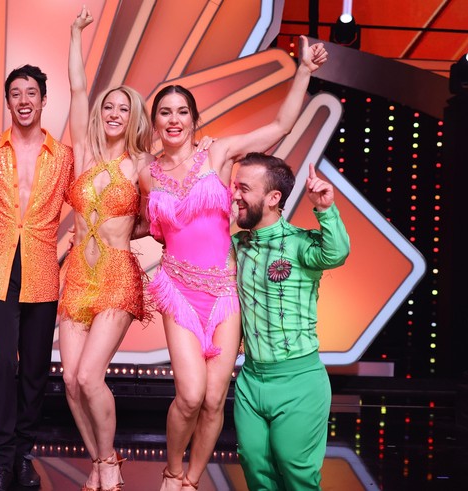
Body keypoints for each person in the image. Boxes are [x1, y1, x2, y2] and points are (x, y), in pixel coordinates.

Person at [138, 36, 328, 490]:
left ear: (194, 119)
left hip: (224, 291)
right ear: (155, 121)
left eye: (182, 111)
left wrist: (304, 69)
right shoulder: (145, 171)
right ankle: (171, 472)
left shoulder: (217, 153)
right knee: (189, 394)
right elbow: (141, 225)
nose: (174, 119)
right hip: (178, 290)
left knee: (215, 398)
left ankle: (192, 480)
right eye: (165, 112)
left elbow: (280, 125)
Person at [59, 7, 152, 491]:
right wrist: (75, 34)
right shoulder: (84, 152)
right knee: (71, 380)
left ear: (134, 117)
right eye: (109, 107)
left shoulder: (141, 165)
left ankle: (110, 462)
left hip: (116, 273)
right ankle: (98, 460)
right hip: (76, 273)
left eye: (124, 109)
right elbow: (77, 88)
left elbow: (162, 214)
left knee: (92, 376)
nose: (115, 114)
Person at [0, 63, 74, 490]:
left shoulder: (63, 155)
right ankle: (2, 457)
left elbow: (86, 203)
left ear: (44, 99)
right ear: (8, 101)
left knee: (34, 368)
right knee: (0, 364)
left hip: (43, 268)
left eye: (32, 93)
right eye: (16, 93)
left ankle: (26, 453)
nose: (24, 100)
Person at [231, 155, 349, 490]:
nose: (236, 194)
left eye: (244, 188)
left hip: (299, 382)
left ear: (273, 198)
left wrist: (325, 209)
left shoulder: (300, 244)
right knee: (255, 469)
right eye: (235, 186)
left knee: (297, 474)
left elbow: (336, 253)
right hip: (251, 380)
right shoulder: (236, 246)